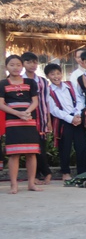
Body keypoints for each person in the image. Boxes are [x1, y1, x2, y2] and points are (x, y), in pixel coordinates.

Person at [0, 55, 42, 194]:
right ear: (7, 67)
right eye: (12, 65)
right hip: (12, 121)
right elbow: (1, 104)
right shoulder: (3, 84)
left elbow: (35, 101)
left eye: (18, 65)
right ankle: (14, 185)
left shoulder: (30, 82)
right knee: (14, 154)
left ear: (22, 66)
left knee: (31, 153)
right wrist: (18, 114)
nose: (15, 67)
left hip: (29, 120)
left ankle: (31, 183)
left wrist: (27, 112)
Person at [44, 63, 86, 180]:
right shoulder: (48, 91)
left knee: (81, 146)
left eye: (58, 73)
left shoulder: (70, 85)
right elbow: (53, 110)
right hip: (63, 121)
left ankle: (82, 172)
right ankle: (65, 172)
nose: (56, 76)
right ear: (48, 76)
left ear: (61, 74)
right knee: (65, 147)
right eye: (52, 74)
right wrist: (70, 118)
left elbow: (80, 99)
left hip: (77, 118)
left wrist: (77, 114)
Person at [21, 52, 52, 184]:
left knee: (41, 146)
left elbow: (46, 101)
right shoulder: (19, 80)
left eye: (34, 62)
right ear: (23, 64)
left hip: (42, 117)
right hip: (26, 116)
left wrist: (49, 120)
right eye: (29, 62)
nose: (32, 65)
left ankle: (44, 173)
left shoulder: (43, 81)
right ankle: (40, 174)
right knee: (30, 148)